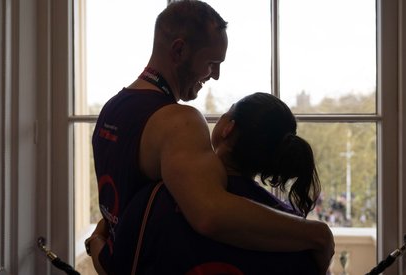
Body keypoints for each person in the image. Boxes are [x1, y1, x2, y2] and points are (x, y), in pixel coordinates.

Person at [86, 0, 334, 274]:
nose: (215, 75)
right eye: (211, 63)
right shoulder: (179, 121)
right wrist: (317, 234)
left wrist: (99, 244)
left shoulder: (112, 109)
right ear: (179, 50)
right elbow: (210, 215)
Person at [97, 92, 324, 274]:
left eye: (226, 112)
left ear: (228, 128)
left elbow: (113, 267)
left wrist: (96, 241)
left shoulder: (154, 201)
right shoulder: (292, 231)